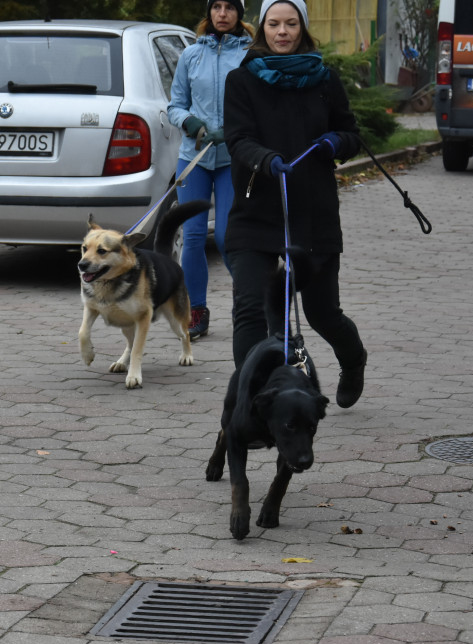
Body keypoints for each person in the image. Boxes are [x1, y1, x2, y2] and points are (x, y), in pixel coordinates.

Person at [223, 0, 368, 408]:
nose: (282, 31)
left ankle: (354, 360)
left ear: (302, 27)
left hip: (313, 214)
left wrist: (336, 141)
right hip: (256, 213)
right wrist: (264, 159)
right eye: (274, 24)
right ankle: (252, 397)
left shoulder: (325, 79)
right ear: (262, 29)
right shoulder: (241, 80)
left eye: (290, 24)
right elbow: (237, 139)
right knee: (251, 312)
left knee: (322, 314)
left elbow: (351, 133)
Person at [167, 0, 253, 340]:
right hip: (195, 157)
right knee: (192, 237)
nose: (222, 13)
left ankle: (250, 302)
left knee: (227, 237)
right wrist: (190, 122)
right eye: (216, 6)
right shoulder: (191, 55)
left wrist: (233, 131)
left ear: (239, 14)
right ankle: (195, 311)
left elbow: (257, 106)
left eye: (230, 7)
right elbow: (175, 105)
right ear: (209, 13)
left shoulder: (250, 55)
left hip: (234, 158)